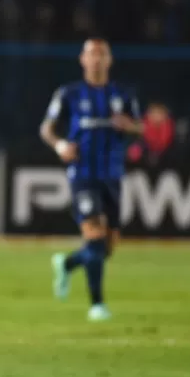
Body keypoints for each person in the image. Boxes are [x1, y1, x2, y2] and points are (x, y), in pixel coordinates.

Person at [40, 38, 142, 322]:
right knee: (95, 236)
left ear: (109, 61)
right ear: (82, 60)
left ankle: (68, 263)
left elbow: (141, 127)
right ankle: (97, 305)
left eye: (102, 55)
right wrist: (60, 145)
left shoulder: (123, 94)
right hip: (82, 174)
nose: (96, 60)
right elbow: (46, 128)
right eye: (91, 55)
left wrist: (130, 126)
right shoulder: (69, 94)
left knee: (107, 247)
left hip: (112, 174)